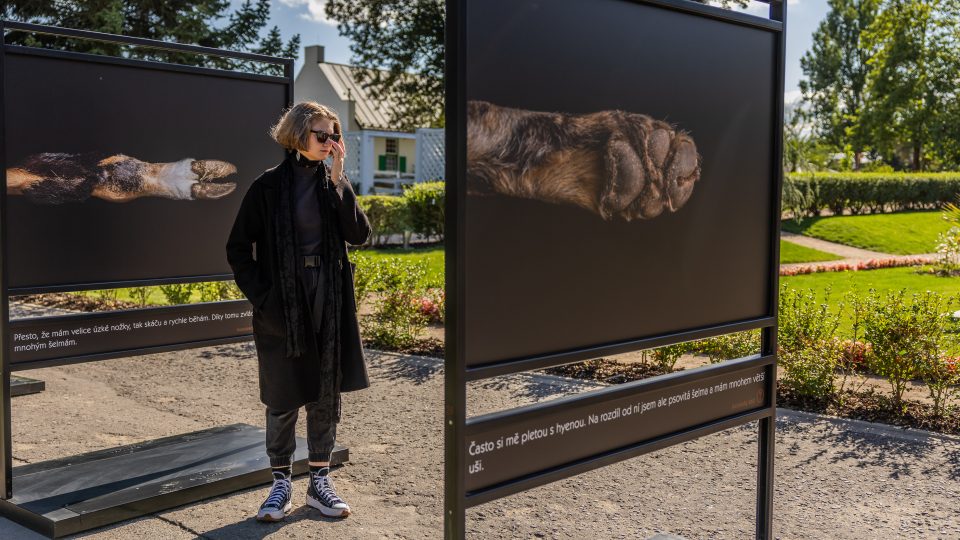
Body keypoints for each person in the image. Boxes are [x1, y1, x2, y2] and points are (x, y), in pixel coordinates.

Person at [225, 101, 372, 522]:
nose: (329, 143)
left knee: (325, 390)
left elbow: (359, 235)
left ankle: (319, 483)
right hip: (283, 303)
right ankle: (280, 483)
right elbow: (238, 249)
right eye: (321, 135)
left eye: (333, 136)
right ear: (298, 135)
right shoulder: (267, 188)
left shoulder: (332, 185)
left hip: (327, 296)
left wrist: (341, 180)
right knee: (283, 392)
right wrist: (264, 297)